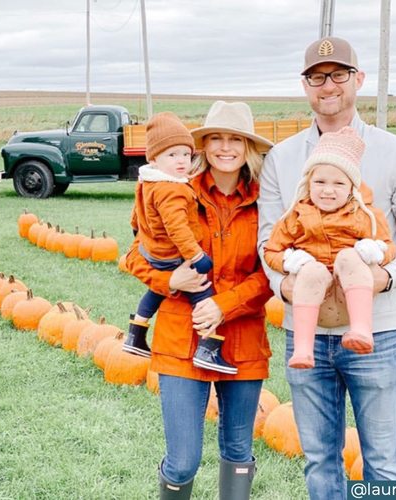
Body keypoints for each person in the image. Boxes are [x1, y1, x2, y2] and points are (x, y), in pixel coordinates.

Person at [257, 37, 396, 499]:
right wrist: (288, 287)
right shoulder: (282, 159)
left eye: (339, 74)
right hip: (307, 337)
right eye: (317, 77)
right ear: (305, 85)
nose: (328, 85)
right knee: (320, 460)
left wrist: (383, 276)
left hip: (376, 333)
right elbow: (268, 241)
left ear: (358, 79)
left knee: (383, 460)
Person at [126, 100, 274, 499]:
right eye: (216, 139)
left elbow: (272, 273)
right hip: (181, 339)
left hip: (241, 340)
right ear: (204, 146)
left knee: (238, 449)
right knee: (183, 460)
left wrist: (225, 304)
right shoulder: (173, 190)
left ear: (249, 147)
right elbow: (133, 255)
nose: (226, 148)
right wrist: (170, 279)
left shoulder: (266, 201)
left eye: (236, 140)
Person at [263, 126, 396, 369]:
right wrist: (287, 261)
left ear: (351, 188)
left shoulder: (364, 214)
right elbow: (271, 250)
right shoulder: (296, 214)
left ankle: (361, 329)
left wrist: (375, 250)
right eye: (320, 181)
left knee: (349, 256)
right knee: (311, 271)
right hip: (315, 286)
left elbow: (389, 247)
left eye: (338, 183)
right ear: (308, 183)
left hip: (348, 283)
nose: (327, 190)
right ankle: (303, 349)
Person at [123, 111, 236, 375]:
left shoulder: (149, 181)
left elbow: (137, 216)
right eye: (173, 155)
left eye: (186, 154)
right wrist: (195, 259)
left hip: (154, 252)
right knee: (202, 292)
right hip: (173, 256)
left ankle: (135, 333)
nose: (182, 161)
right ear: (155, 158)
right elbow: (177, 230)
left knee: (157, 291)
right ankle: (207, 348)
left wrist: (140, 234)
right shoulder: (172, 188)